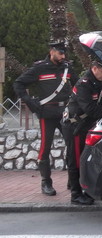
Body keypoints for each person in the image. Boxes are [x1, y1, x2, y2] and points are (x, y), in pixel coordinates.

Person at [13, 41, 78, 196]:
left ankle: (73, 180)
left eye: (64, 53)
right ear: (52, 51)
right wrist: (29, 101)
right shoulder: (40, 68)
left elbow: (78, 86)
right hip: (47, 113)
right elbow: (18, 83)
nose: (63, 56)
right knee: (45, 148)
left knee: (72, 145)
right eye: (60, 53)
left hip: (64, 113)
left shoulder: (67, 68)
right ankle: (46, 183)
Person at [61, 60, 102, 205]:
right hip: (74, 126)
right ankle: (75, 195)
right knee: (75, 159)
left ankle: (75, 185)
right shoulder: (84, 84)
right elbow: (90, 109)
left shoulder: (97, 83)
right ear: (95, 69)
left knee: (84, 157)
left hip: (84, 126)